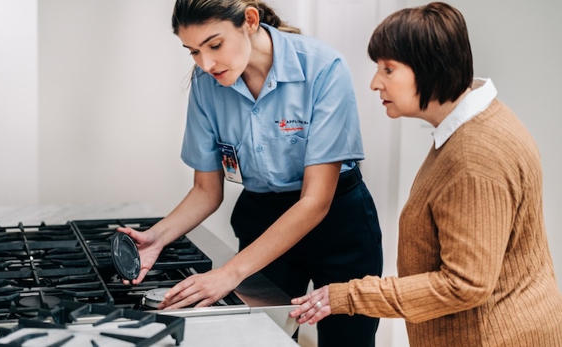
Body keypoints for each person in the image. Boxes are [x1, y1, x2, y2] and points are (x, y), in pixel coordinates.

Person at [290, 2, 562, 346]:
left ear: (430, 68)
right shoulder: (476, 125)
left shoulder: (473, 154)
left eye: (388, 69)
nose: (375, 83)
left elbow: (465, 284)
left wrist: (349, 296)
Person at [117, 1, 383, 346]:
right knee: (262, 339)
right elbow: (206, 190)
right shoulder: (206, 82)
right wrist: (158, 236)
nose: (205, 63)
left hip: (338, 223)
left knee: (348, 341)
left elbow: (316, 201)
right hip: (263, 219)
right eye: (193, 51)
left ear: (251, 21)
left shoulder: (322, 67)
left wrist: (228, 274)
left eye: (214, 45)